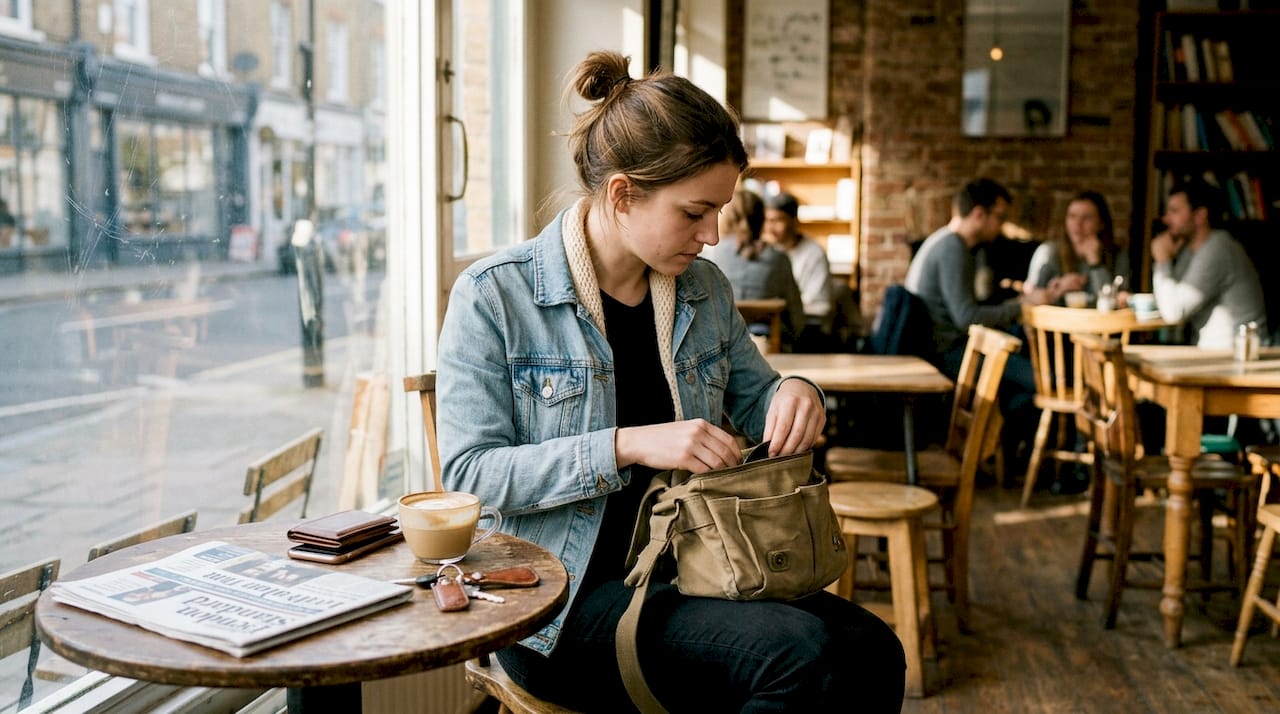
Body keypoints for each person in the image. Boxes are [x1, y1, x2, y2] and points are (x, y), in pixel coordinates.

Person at [435, 51, 905, 712]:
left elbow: (756, 395)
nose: (714, 235)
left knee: (876, 653)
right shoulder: (495, 296)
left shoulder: (703, 290)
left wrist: (796, 391)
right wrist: (628, 445)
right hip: (555, 606)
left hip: (696, 570)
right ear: (623, 194)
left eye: (720, 211)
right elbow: (469, 477)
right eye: (695, 212)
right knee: (800, 658)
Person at [904, 177, 1048, 477]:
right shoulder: (953, 248)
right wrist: (1023, 307)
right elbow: (966, 317)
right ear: (979, 214)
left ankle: (1004, 454)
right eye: (1000, 217)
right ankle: (1020, 458)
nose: (1003, 225)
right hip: (946, 354)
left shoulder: (944, 241)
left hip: (942, 347)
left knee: (1017, 387)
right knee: (1042, 380)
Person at [1151, 176, 1267, 349]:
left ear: (1200, 216)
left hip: (1239, 356)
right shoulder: (1192, 249)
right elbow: (1171, 297)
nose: (1166, 219)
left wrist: (1162, 261)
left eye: (1174, 211)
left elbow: (1174, 312)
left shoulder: (1217, 249)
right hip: (1216, 352)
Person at [704, 188, 805, 349]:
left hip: (719, 339)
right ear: (762, 219)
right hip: (767, 341)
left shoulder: (712, 253)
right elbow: (795, 314)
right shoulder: (778, 258)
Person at [1023, 190, 1131, 307]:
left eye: (1087, 218)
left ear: (1101, 223)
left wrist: (1095, 262)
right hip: (1057, 323)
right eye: (1072, 216)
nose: (1078, 224)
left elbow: (1114, 302)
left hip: (1099, 324)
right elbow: (1029, 300)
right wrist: (1059, 289)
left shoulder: (1117, 255)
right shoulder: (1048, 252)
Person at [763, 191, 835, 351]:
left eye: (777, 220)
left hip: (807, 330)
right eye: (767, 221)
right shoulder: (766, 251)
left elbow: (819, 306)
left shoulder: (813, 253)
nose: (770, 228)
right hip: (776, 325)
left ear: (794, 221)